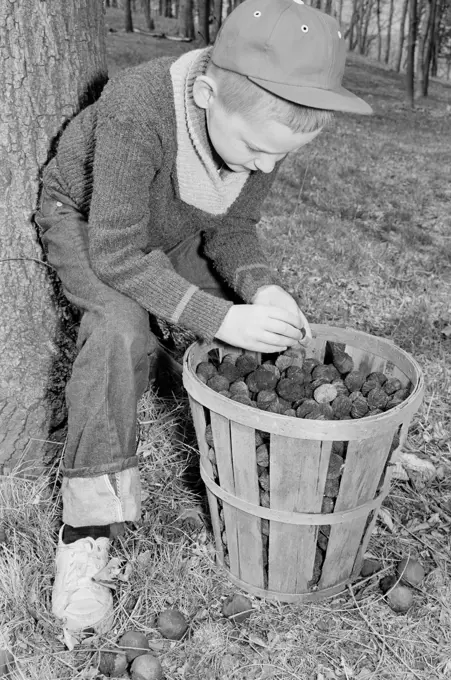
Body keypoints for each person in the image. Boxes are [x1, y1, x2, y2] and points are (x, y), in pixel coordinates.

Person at [35, 0, 372, 642]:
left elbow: (233, 227)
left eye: (281, 157)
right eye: (255, 149)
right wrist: (219, 316)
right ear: (206, 92)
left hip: (174, 223)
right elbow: (116, 252)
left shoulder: (257, 131)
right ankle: (86, 534)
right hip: (90, 223)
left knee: (256, 325)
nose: (266, 167)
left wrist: (261, 288)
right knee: (120, 329)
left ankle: (300, 449)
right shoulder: (140, 108)